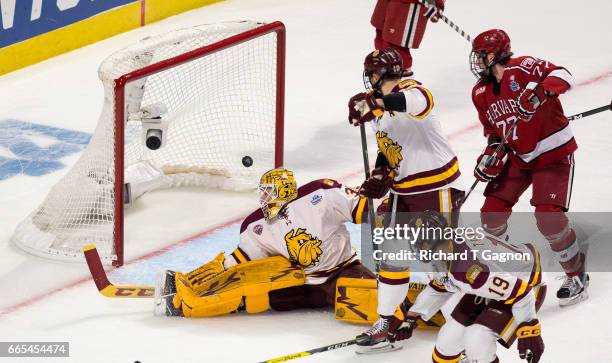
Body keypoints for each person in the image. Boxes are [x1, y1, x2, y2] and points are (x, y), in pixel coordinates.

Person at [153, 168, 445, 331]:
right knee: (257, 295)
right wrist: (194, 278)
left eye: (270, 191)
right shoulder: (257, 225)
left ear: (286, 191)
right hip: (302, 280)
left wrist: (381, 214)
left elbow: (363, 212)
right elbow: (237, 263)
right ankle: (181, 295)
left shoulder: (321, 193)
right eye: (262, 192)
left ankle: (418, 304)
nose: (264, 198)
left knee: (358, 297)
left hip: (343, 270)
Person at [347, 48, 464, 351]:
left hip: (435, 187)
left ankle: (473, 325)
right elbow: (389, 147)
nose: (369, 79)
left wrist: (376, 102)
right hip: (403, 191)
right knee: (391, 258)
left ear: (380, 75)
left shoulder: (414, 91)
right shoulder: (376, 109)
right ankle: (387, 322)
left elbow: (412, 103)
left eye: (372, 73)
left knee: (443, 263)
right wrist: (379, 175)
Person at [469, 29, 587, 306]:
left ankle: (576, 272)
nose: (477, 61)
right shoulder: (480, 92)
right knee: (491, 216)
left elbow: (563, 75)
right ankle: (507, 268)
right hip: (519, 156)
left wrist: (539, 92)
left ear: (497, 53)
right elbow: (495, 133)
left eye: (481, 55)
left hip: (552, 154)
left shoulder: (522, 67)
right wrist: (490, 157)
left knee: (549, 219)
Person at [390, 211, 547, 363]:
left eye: (420, 242)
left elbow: (521, 292)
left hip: (527, 283)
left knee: (477, 338)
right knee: (448, 340)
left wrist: (530, 328)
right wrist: (411, 316)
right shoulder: (445, 250)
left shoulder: (469, 269)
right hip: (497, 281)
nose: (418, 248)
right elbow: (441, 284)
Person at [370, 0, 445, 76]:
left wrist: (437, 5)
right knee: (381, 36)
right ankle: (384, 72)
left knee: (395, 43)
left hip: (408, 5)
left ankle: (404, 76)